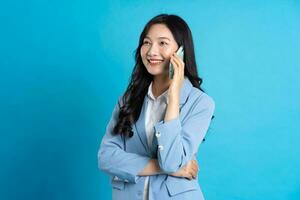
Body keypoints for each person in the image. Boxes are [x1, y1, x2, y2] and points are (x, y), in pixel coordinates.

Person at [98, 14, 215, 200]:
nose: (152, 51)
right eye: (147, 42)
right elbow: (106, 157)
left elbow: (172, 162)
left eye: (162, 43)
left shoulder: (200, 103)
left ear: (181, 51)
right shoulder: (128, 100)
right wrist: (160, 167)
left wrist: (174, 96)